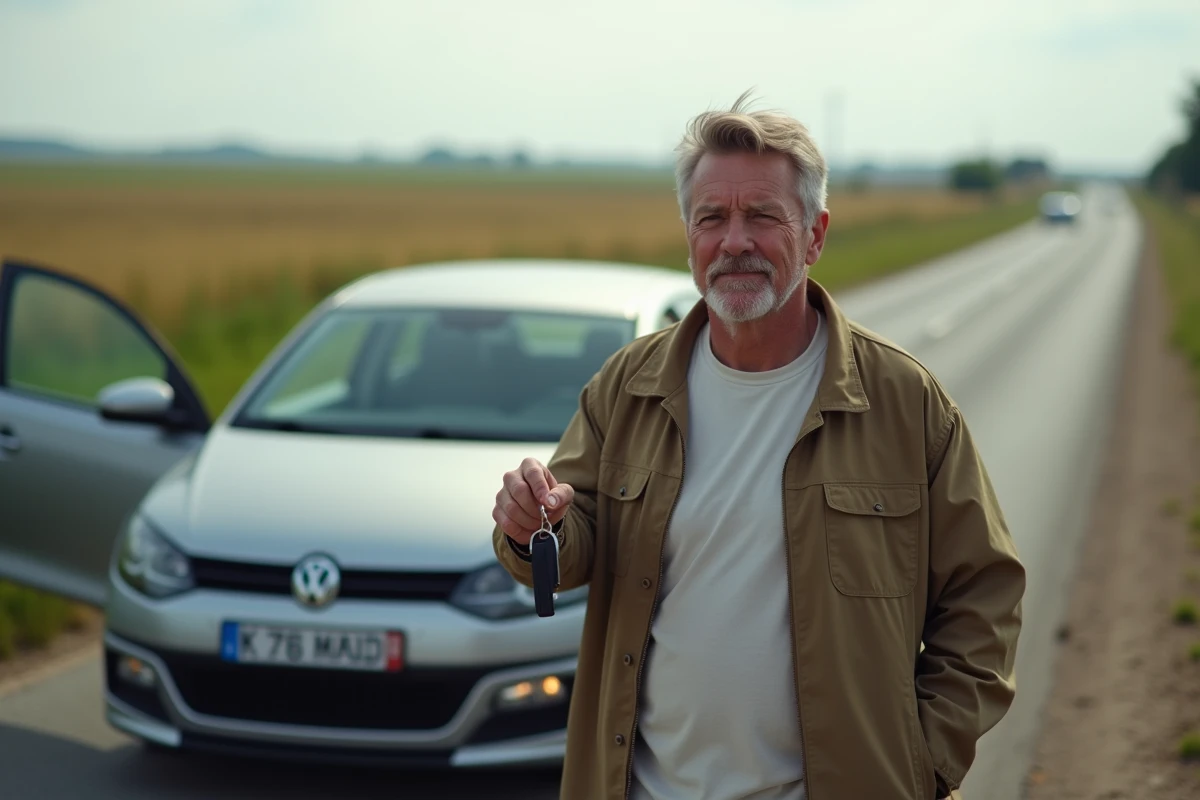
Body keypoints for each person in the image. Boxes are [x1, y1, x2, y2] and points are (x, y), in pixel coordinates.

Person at [491, 92, 1025, 800]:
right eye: (712, 217)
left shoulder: (906, 403)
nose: (734, 241)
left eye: (763, 216)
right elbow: (569, 544)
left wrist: (919, 763)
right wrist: (534, 527)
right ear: (689, 235)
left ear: (815, 235)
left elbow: (984, 597)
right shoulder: (627, 387)